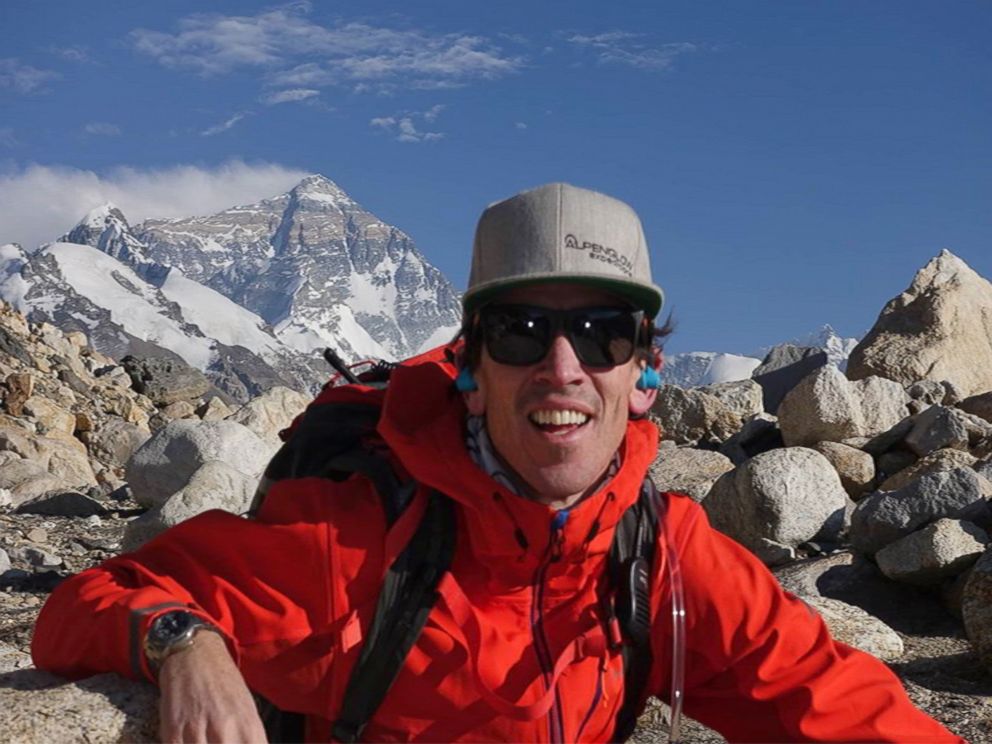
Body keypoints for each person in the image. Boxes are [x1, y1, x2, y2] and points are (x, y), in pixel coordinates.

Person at [33, 183, 961, 743]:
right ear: (470, 370)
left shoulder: (661, 557)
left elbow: (834, 705)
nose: (563, 368)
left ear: (645, 373)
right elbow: (83, 608)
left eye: (601, 335)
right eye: (523, 331)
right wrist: (181, 643)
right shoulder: (355, 547)